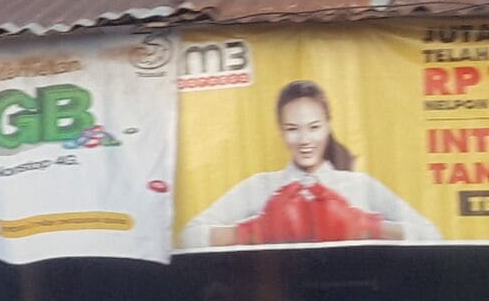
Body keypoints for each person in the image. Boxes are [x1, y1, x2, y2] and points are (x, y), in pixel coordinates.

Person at [180, 80, 438, 247]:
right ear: (280, 131)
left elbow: (432, 236)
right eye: (292, 129)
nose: (304, 140)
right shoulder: (259, 187)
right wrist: (252, 231)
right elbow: (188, 238)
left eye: (314, 127)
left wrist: (366, 226)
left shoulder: (359, 186)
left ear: (328, 126)